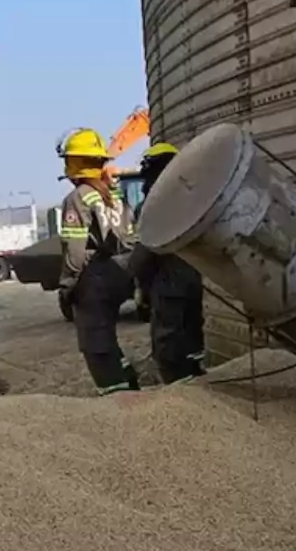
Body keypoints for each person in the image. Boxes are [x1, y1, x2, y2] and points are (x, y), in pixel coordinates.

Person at [55, 128, 143, 396]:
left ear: (76, 162)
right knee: (107, 337)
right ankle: (129, 383)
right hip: (122, 270)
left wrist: (68, 286)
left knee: (95, 343)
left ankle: (119, 399)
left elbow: (76, 251)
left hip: (97, 275)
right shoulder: (112, 194)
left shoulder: (79, 197)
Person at [136, 142, 207, 383]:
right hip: (195, 276)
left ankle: (179, 389)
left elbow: (144, 253)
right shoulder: (193, 196)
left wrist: (134, 278)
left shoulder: (153, 205)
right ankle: (198, 378)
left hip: (169, 283)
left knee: (168, 341)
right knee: (192, 332)